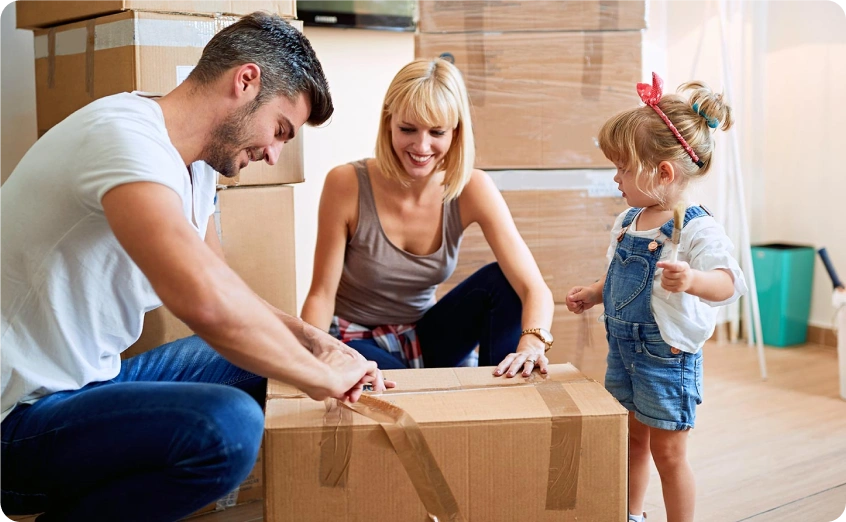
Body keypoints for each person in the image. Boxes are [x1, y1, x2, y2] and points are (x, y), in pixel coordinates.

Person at [0, 13, 391, 521]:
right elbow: (200, 301)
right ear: (245, 80)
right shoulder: (124, 138)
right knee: (227, 426)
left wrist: (318, 343)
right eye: (279, 130)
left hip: (84, 386)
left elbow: (228, 292)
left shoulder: (194, 168)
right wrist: (315, 374)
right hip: (17, 416)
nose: (274, 154)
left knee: (259, 355)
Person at [565, 72, 748, 522]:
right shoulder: (629, 219)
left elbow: (729, 283)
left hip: (666, 358)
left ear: (662, 172)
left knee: (668, 453)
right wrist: (593, 293)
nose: (616, 177)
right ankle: (631, 513)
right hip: (624, 353)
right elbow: (619, 279)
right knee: (630, 438)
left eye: (623, 168)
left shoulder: (697, 227)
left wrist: (691, 281)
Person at [301, 57, 555, 379]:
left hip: (423, 336)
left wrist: (532, 343)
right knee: (408, 395)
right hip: (356, 338)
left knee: (501, 282)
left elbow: (534, 288)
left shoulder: (472, 187)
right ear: (388, 122)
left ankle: (502, 395)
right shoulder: (345, 183)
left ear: (455, 132)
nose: (422, 146)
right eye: (408, 129)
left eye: (437, 132)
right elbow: (321, 295)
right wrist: (312, 359)